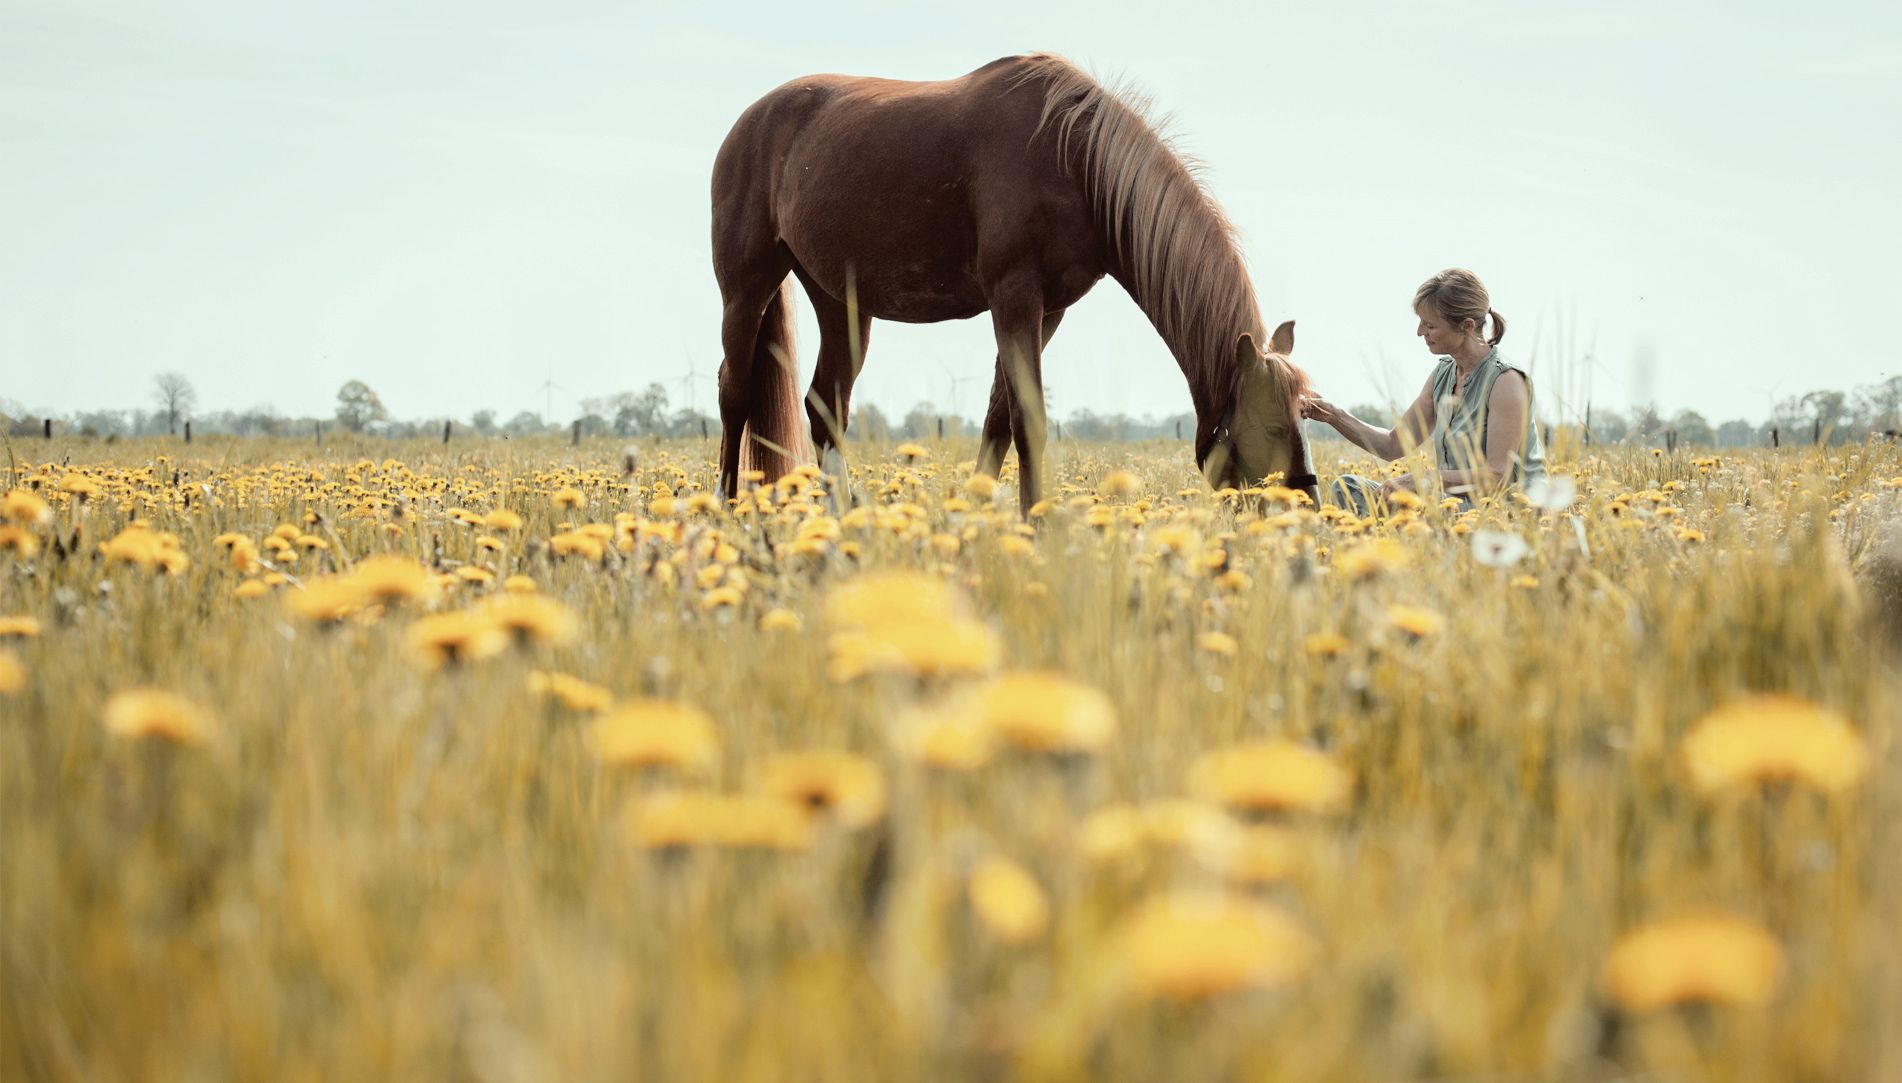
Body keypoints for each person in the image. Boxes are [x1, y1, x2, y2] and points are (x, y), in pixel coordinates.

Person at [1301, 268, 1546, 513]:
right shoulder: (1443, 374)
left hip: (1505, 511)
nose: (1420, 332)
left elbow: (1497, 477)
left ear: (1467, 326)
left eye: (1429, 325)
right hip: (1452, 507)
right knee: (1349, 487)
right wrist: (1334, 415)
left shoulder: (1506, 380)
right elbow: (1392, 445)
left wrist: (1424, 479)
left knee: (1425, 513)